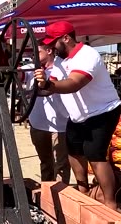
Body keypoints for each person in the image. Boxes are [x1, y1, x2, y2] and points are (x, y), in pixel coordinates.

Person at [34, 21, 121, 210]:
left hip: (103, 111)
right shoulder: (59, 60)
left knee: (95, 154)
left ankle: (110, 203)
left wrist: (49, 85)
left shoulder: (88, 55)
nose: (50, 46)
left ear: (66, 38)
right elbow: (54, 84)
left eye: (53, 42)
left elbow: (74, 83)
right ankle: (84, 193)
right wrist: (43, 86)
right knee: (74, 151)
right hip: (78, 115)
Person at [21, 40, 71, 184]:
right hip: (38, 123)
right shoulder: (31, 68)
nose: (33, 55)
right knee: (45, 162)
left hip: (60, 124)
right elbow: (19, 75)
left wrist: (45, 81)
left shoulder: (63, 67)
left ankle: (62, 193)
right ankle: (46, 192)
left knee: (61, 164)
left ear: (49, 51)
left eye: (38, 52)